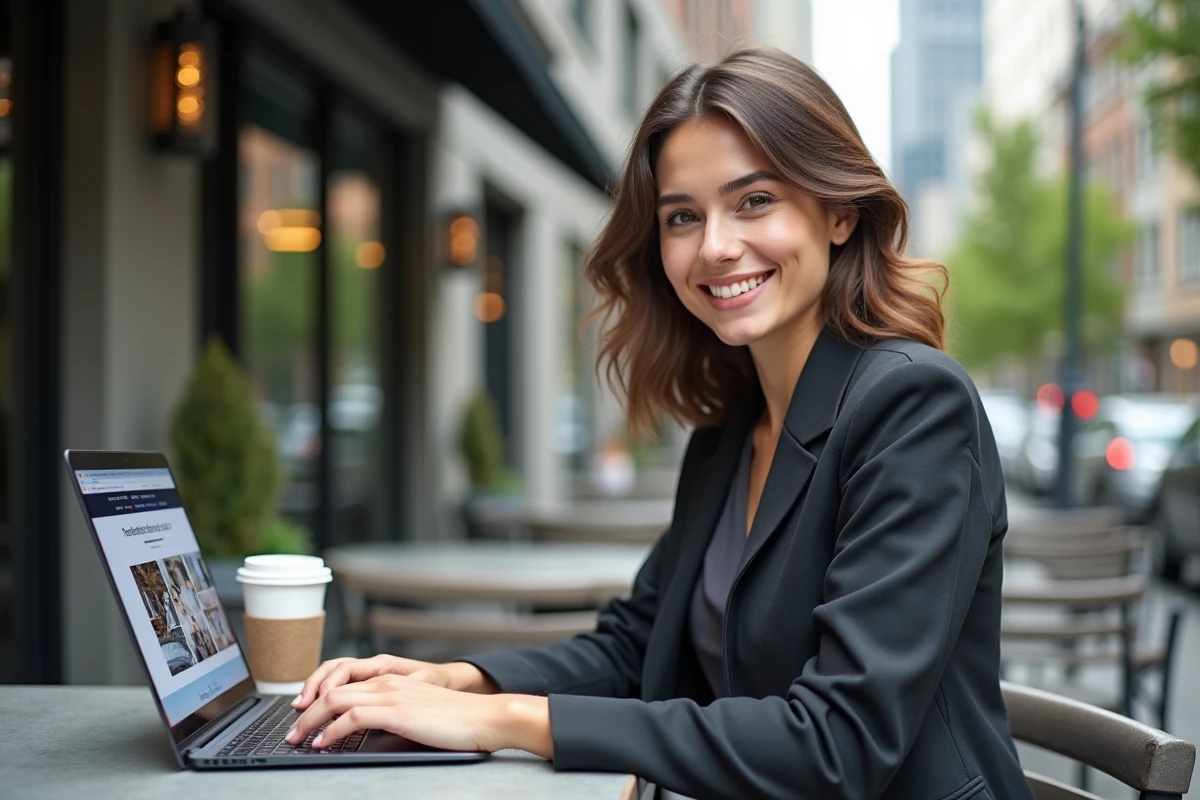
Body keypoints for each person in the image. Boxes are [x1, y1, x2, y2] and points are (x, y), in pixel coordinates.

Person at [286, 47, 1035, 800]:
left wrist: (506, 720)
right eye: (683, 216)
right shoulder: (731, 431)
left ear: (840, 212)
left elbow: (837, 744)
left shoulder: (912, 407)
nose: (714, 245)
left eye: (754, 201)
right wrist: (461, 680)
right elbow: (640, 643)